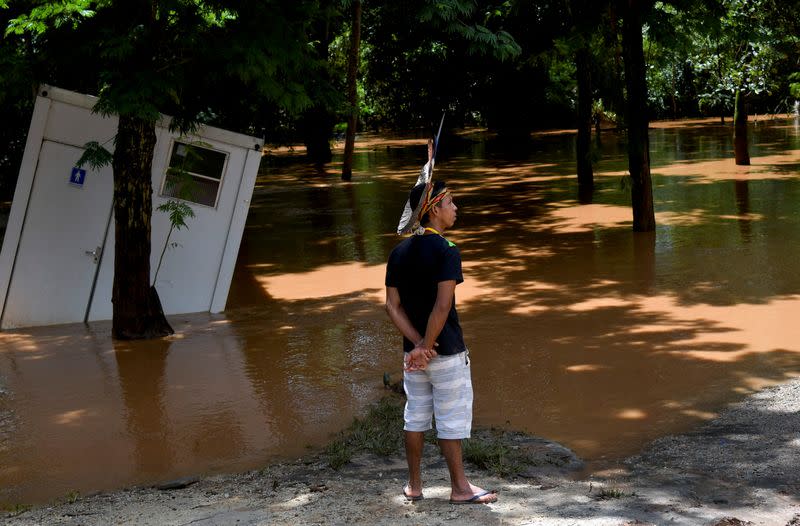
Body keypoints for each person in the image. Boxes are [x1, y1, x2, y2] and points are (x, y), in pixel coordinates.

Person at [384, 146, 498, 505]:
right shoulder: (448, 249)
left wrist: (416, 345)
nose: (456, 207)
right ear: (434, 209)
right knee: (450, 420)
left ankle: (415, 487)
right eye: (450, 202)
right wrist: (428, 346)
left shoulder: (398, 253)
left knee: (415, 416)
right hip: (444, 352)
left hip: (413, 354)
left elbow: (392, 306)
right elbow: (443, 304)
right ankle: (460, 489)